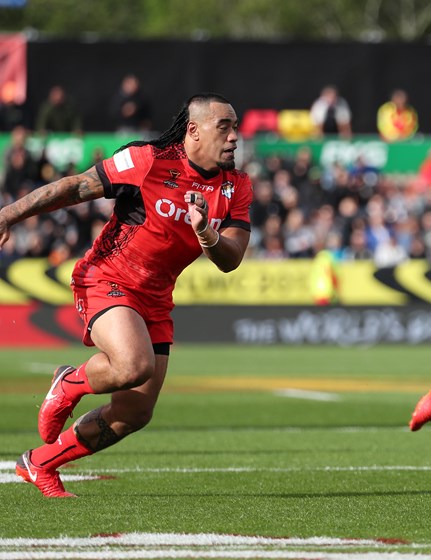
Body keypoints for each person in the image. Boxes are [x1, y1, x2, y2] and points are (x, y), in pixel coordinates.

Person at [1, 92, 253, 498]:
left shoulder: (236, 186)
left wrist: (206, 233)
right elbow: (75, 187)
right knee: (134, 365)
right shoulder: (148, 161)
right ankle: (70, 382)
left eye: (235, 128)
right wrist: (9, 213)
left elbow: (232, 258)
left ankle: (40, 463)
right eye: (224, 126)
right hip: (107, 277)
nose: (234, 137)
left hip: (156, 298)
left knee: (135, 413)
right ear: (193, 130)